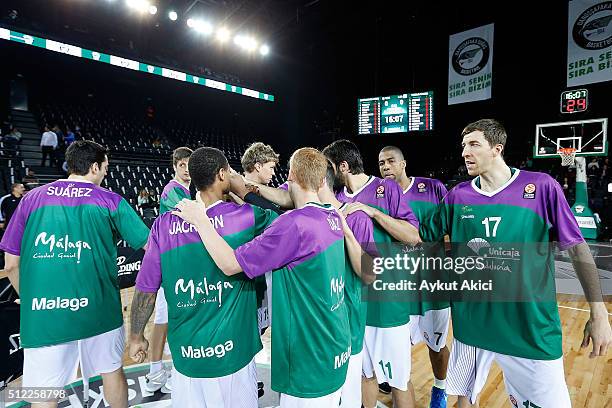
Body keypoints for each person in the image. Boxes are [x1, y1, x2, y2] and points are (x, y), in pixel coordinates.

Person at [420, 119, 612, 408]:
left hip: (530, 329)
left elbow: (578, 250)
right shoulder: (458, 195)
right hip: (473, 326)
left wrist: (599, 315)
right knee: (463, 398)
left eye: (473, 144)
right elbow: (421, 237)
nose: (464, 152)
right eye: (463, 146)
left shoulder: (541, 186)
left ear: (497, 149)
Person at [172, 147, 357, 407]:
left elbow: (229, 264)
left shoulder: (293, 224)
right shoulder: (331, 216)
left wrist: (200, 220)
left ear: (291, 174)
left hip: (309, 360)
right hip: (336, 346)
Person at [0, 140, 149, 408]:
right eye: (105, 167)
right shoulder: (110, 200)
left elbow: (11, 264)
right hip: (99, 310)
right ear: (94, 167)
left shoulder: (30, 200)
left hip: (45, 315)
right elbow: (151, 247)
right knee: (112, 372)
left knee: (43, 394)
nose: (105, 173)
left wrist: (31, 300)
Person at [129, 147, 278, 408]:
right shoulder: (245, 217)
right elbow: (281, 220)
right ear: (222, 174)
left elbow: (145, 289)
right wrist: (242, 189)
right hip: (234, 354)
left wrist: (136, 336)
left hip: (187, 358)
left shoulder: (164, 225)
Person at [323, 139, 420, 408]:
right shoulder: (337, 199)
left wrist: (373, 213)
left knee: (399, 380)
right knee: (364, 376)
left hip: (388, 303)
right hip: (354, 303)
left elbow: (413, 236)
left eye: (328, 167)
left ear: (342, 166)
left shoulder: (386, 189)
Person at [378, 145, 450, 408]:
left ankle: (440, 388)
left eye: (390, 161)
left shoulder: (432, 188)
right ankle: (397, 383)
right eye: (381, 163)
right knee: (397, 344)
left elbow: (449, 225)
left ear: (403, 163)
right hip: (398, 283)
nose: (385, 166)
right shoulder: (379, 195)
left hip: (433, 281)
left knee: (437, 345)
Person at [145, 146, 193, 394]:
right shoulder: (171, 190)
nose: (186, 170)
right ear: (174, 166)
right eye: (181, 165)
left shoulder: (188, 189)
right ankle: (156, 372)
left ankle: (168, 371)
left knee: (171, 318)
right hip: (170, 264)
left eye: (189, 165)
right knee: (164, 320)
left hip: (182, 263)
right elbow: (194, 215)